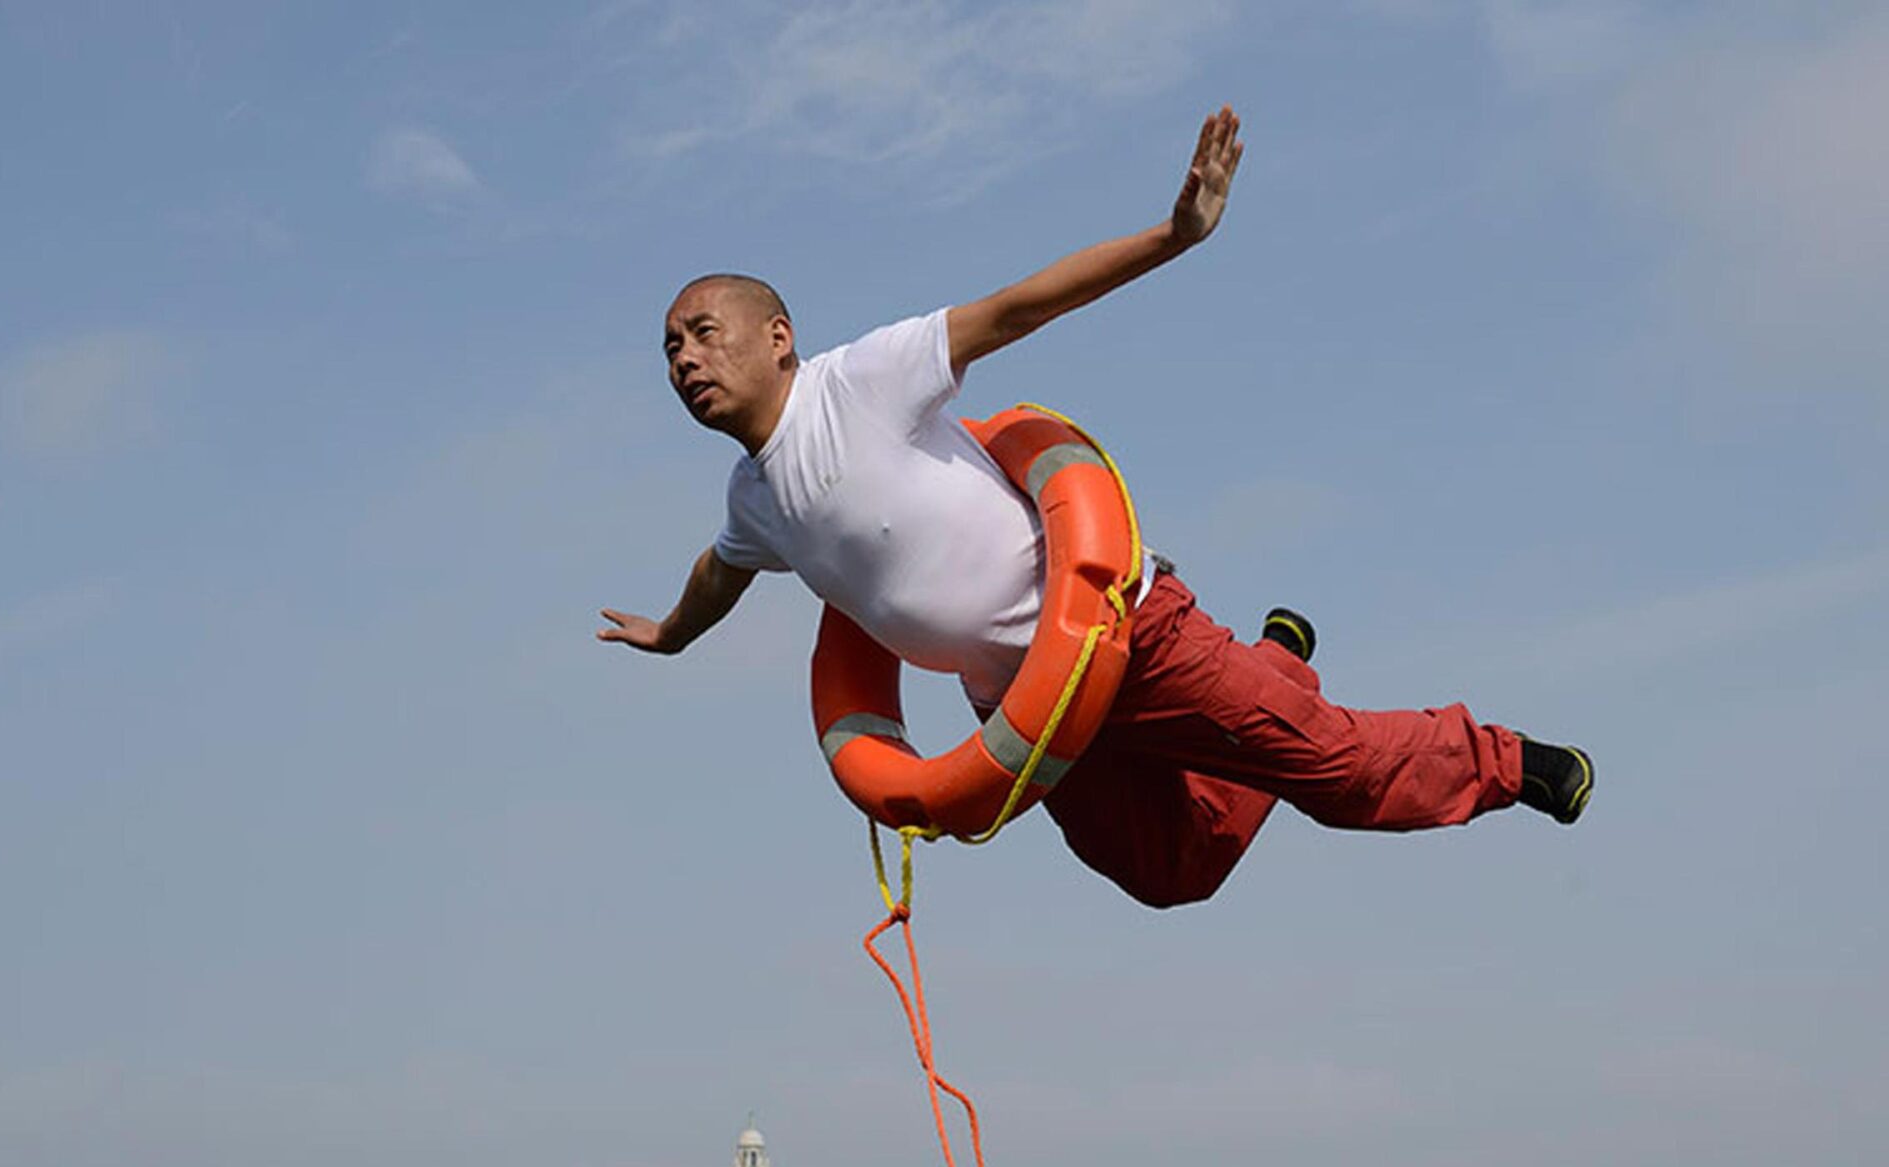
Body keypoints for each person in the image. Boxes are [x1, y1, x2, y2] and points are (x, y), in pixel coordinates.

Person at [599, 107, 1593, 908]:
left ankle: (1511, 762)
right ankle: (1281, 659)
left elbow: (1018, 307)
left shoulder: (861, 380)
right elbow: (721, 569)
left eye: (702, 333)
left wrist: (1173, 235)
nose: (685, 359)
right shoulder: (753, 499)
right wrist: (673, 634)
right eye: (670, 349)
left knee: (1336, 771)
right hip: (1031, 710)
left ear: (778, 336)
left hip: (1131, 635)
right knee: (1171, 870)